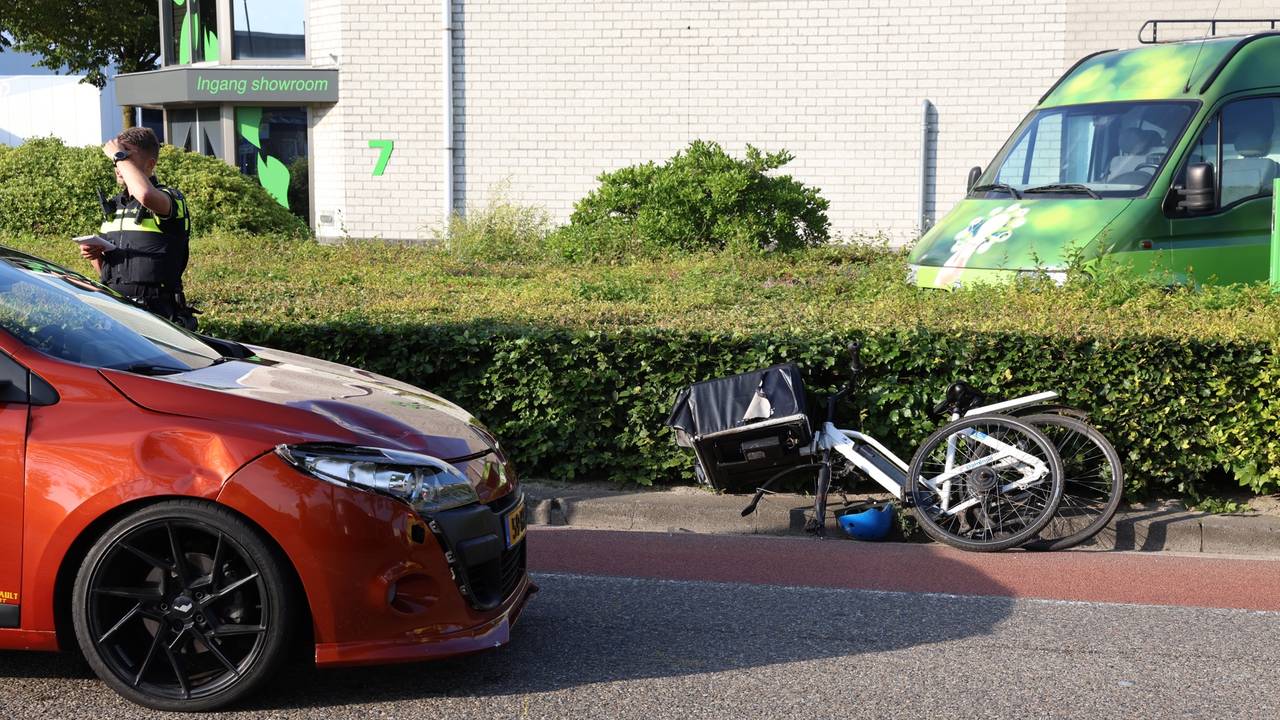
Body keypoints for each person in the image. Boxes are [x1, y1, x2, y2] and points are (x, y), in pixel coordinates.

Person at [79, 127, 196, 329]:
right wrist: (95, 255)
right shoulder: (116, 206)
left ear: (150, 164)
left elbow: (145, 195)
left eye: (126, 156)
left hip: (158, 316)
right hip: (117, 315)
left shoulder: (170, 198)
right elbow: (109, 274)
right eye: (117, 158)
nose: (118, 164)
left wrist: (118, 156)